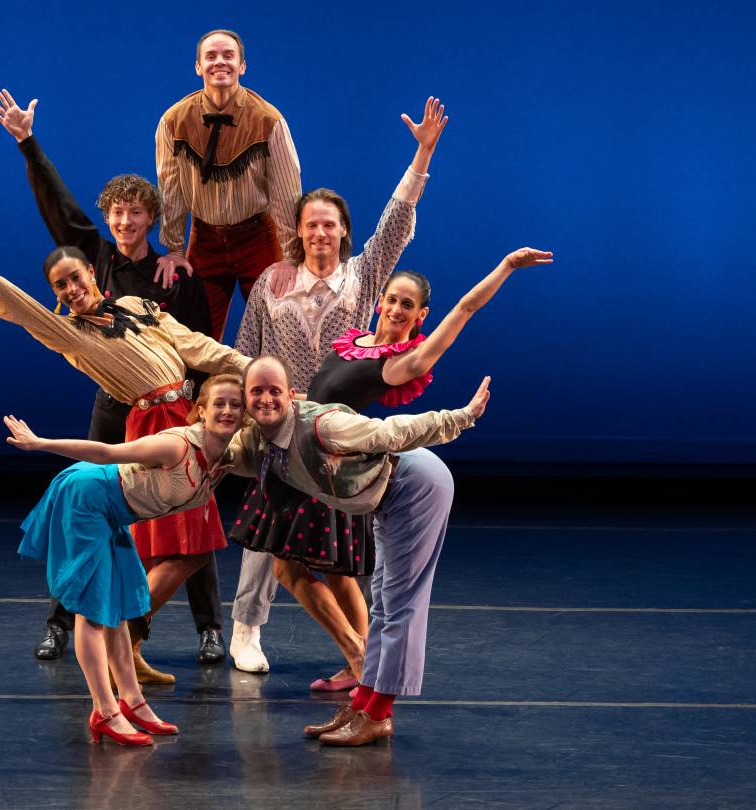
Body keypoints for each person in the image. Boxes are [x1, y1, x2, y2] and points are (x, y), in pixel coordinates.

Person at [0, 246, 249, 684]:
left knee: (189, 550)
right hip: (158, 429)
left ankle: (130, 646)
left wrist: (256, 372)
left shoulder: (137, 306)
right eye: (61, 285)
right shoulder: (70, 335)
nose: (72, 289)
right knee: (184, 551)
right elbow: (18, 305)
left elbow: (198, 347)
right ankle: (123, 634)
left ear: (92, 274)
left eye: (76, 278)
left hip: (189, 416)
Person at [230, 248, 553, 690]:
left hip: (330, 463)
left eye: (408, 304)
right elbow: (321, 392)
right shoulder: (353, 341)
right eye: (392, 299)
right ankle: (362, 663)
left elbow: (466, 307)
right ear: (380, 301)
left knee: (290, 570)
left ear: (420, 314)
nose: (397, 309)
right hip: (303, 450)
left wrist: (506, 267)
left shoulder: (398, 364)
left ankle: (360, 657)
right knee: (340, 578)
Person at [0, 87, 227, 667]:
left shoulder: (176, 278)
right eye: (116, 212)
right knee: (89, 509)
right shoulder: (92, 257)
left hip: (173, 411)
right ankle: (60, 623)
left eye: (135, 212)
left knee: (191, 512)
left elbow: (199, 349)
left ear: (151, 219)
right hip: (116, 407)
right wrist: (27, 142)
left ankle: (208, 627)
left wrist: (199, 410)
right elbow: (57, 207)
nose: (124, 220)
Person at [227, 96, 449, 673]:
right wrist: (250, 411)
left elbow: (396, 221)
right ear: (297, 233)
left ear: (343, 231)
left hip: (335, 438)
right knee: (264, 541)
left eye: (330, 224)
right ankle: (247, 628)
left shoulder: (365, 275)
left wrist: (422, 154)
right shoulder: (271, 282)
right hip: (278, 425)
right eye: (310, 225)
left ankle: (365, 662)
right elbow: (246, 352)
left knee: (341, 560)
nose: (321, 232)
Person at [230, 357, 491, 746]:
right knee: (383, 604)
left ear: (291, 395)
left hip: (415, 484)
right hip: (385, 498)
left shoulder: (322, 425)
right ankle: (364, 703)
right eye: (257, 391)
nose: (266, 399)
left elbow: (392, 432)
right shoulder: (259, 439)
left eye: (274, 391)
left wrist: (462, 417)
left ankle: (378, 713)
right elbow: (209, 450)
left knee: (401, 603)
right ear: (245, 399)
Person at [2, 374, 248, 746]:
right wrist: (41, 444)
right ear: (201, 411)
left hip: (114, 512)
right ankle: (105, 711)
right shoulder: (177, 444)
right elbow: (107, 453)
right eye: (219, 403)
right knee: (94, 611)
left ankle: (132, 702)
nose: (228, 411)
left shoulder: (222, 457)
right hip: (86, 498)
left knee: (118, 606)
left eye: (235, 404)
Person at [154, 29, 302, 339]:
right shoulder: (173, 120)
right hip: (204, 238)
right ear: (198, 67)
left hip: (258, 236)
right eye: (211, 56)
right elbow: (171, 189)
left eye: (228, 56)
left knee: (279, 330)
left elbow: (287, 193)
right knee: (195, 335)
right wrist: (175, 249)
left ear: (242, 65)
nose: (219, 62)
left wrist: (291, 258)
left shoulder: (267, 119)